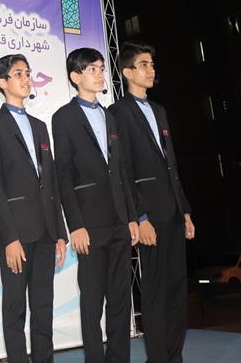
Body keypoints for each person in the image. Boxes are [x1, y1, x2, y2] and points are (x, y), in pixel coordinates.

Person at [52, 47, 138, 363]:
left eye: (102, 68)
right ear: (76, 77)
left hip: (119, 220)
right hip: (88, 223)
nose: (101, 74)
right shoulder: (63, 117)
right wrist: (75, 225)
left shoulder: (110, 116)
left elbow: (122, 172)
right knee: (92, 301)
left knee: (120, 299)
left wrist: (131, 217)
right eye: (92, 69)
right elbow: (63, 175)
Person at [110, 41, 194, 363]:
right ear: (127, 72)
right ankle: (157, 358)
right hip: (149, 215)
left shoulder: (159, 111)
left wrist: (185, 211)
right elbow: (123, 169)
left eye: (152, 64)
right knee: (156, 291)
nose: (151, 70)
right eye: (144, 65)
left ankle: (175, 356)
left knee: (176, 289)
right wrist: (140, 216)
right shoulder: (118, 112)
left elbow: (172, 165)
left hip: (173, 211)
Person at [0, 54, 67, 363]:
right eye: (19, 73)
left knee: (43, 307)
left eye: (28, 73)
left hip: (46, 232)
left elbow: (51, 183)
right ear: (3, 83)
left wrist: (60, 232)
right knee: (15, 308)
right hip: (17, 233)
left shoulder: (40, 127)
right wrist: (9, 238)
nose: (26, 78)